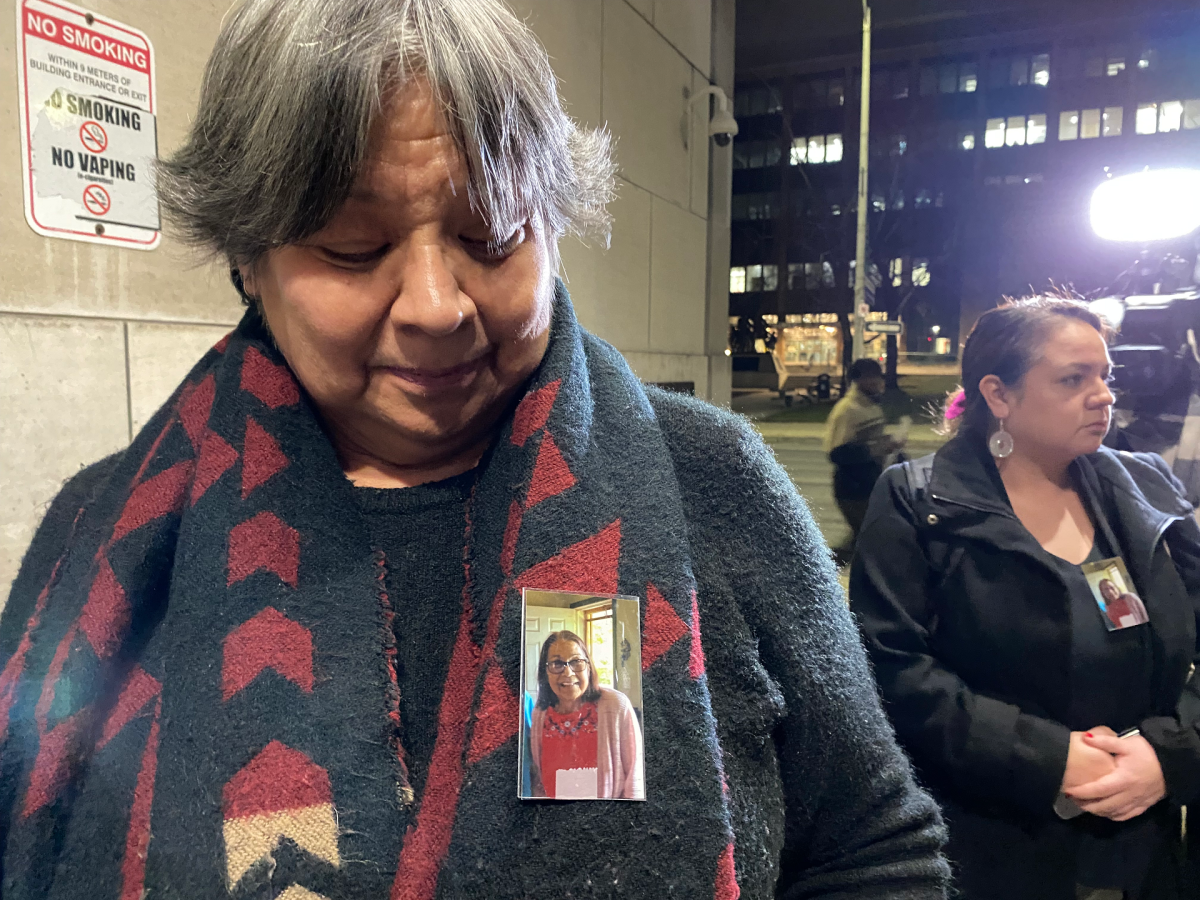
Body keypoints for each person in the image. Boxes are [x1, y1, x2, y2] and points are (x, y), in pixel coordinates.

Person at [0, 1, 949, 897]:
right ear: (249, 260)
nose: (436, 306)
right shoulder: (105, 536)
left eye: (491, 233)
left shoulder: (710, 482)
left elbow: (874, 846)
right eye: (351, 249)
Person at [850, 297, 1200, 898]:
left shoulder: (1142, 484)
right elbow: (891, 668)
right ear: (999, 395)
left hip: (1142, 844)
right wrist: (1047, 758)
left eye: (1104, 375)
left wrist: (1168, 757)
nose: (1104, 395)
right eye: (1073, 378)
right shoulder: (917, 501)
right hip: (995, 844)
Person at [528, 631, 643, 800]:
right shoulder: (540, 713)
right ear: (545, 672)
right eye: (557, 663)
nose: (568, 673)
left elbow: (635, 776)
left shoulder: (616, 706)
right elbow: (538, 779)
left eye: (576, 662)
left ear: (589, 666)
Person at [824, 358, 899, 557]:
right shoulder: (847, 410)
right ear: (858, 380)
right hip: (852, 488)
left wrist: (888, 443)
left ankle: (818, 574)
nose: (877, 382)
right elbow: (836, 452)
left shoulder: (872, 406)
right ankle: (816, 573)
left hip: (870, 483)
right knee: (869, 540)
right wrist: (876, 449)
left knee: (862, 540)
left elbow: (872, 440)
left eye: (878, 377)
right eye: (870, 378)